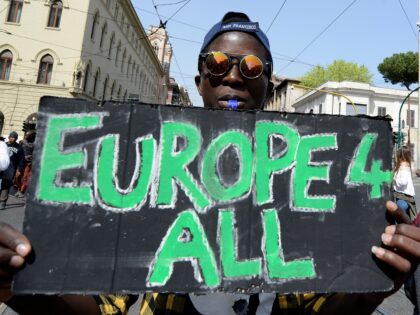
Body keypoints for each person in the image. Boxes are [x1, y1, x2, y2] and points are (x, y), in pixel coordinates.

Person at [1, 12, 420, 315]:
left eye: (252, 68)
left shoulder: (300, 180)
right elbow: (100, 307)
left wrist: (375, 285)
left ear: (266, 84)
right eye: (217, 64)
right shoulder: (148, 174)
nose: (234, 76)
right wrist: (14, 286)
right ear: (200, 80)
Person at [393, 146, 417, 221]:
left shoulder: (403, 167)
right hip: (403, 196)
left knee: (400, 210)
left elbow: (403, 182)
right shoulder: (406, 165)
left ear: (400, 155)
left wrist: (394, 178)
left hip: (403, 197)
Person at [0, 131, 22, 210]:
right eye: (12, 137)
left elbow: (21, 160)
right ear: (9, 137)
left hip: (11, 169)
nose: (13, 139)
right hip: (1, 167)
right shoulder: (3, 145)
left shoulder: (19, 148)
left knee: (6, 184)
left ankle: (2, 202)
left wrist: (19, 169)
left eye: (15, 137)